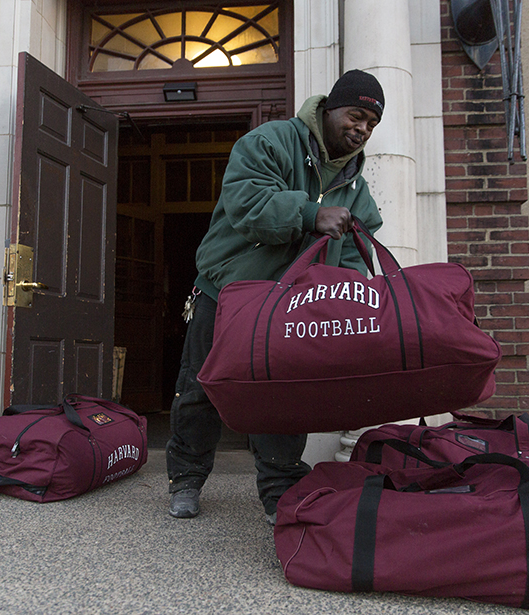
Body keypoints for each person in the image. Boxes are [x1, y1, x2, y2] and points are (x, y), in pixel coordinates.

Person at [165, 69, 386, 523]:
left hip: (293, 306)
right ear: (328, 109)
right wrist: (310, 214)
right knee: (201, 389)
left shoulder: (355, 184)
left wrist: (347, 299)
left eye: (371, 123)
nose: (361, 129)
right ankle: (186, 478)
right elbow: (247, 204)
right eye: (356, 115)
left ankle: (278, 489)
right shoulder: (270, 142)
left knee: (285, 396)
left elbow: (354, 256)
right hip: (226, 292)